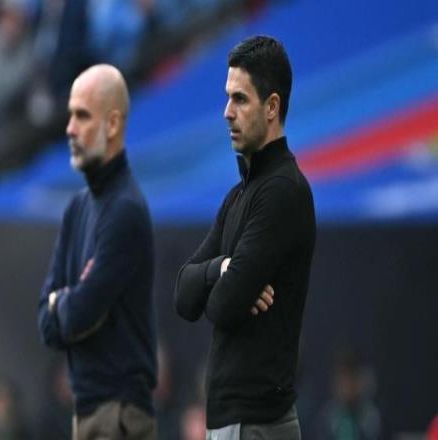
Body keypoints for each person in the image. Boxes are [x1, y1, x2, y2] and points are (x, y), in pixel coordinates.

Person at [175, 36, 316, 439]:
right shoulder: (239, 195)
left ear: (272, 107)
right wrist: (223, 268)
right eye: (227, 98)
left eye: (240, 99)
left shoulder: (282, 191)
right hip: (235, 422)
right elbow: (183, 296)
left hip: (258, 423)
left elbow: (221, 305)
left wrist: (225, 284)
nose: (227, 112)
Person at [38, 64, 157, 440]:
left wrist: (62, 302)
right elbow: (45, 323)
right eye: (70, 115)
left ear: (113, 124)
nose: (70, 128)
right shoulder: (77, 208)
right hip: (88, 413)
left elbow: (79, 313)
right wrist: (66, 304)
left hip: (119, 414)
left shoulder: (125, 210)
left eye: (82, 116)